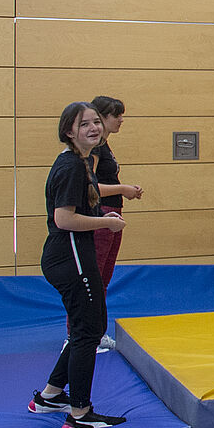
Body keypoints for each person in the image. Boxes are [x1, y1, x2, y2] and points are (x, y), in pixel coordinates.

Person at [27, 102, 128, 428]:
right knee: (87, 331)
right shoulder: (71, 165)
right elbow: (64, 218)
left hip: (70, 254)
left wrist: (102, 216)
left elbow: (76, 209)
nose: (94, 128)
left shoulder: (81, 163)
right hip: (69, 257)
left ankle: (52, 394)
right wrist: (104, 225)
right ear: (69, 131)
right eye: (84, 124)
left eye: (96, 122)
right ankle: (80, 412)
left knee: (92, 325)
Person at [87, 95, 142, 290]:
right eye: (116, 115)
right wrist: (122, 189)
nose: (121, 120)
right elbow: (90, 186)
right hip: (102, 213)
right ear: (101, 117)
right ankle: (84, 319)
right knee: (95, 275)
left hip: (113, 212)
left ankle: (97, 318)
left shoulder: (104, 147)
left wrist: (126, 189)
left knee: (103, 277)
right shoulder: (95, 148)